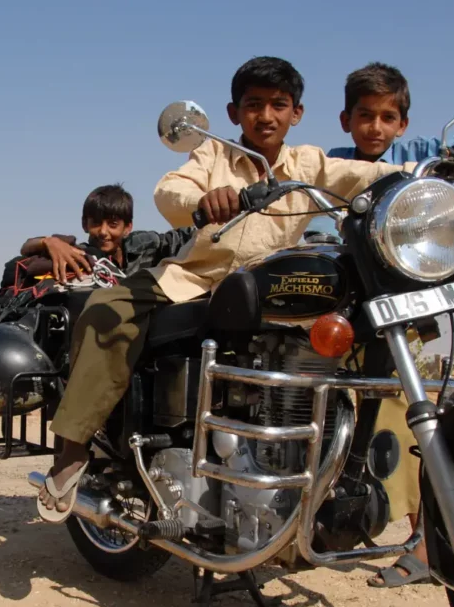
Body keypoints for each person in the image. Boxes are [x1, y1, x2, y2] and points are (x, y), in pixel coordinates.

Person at [36, 56, 420, 522]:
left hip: (270, 289)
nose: (266, 115)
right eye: (254, 104)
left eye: (279, 105)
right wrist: (204, 200)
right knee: (106, 308)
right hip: (195, 279)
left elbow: (369, 175)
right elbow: (169, 191)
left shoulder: (309, 163)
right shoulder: (212, 155)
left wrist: (441, 168)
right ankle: (72, 448)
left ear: (296, 114)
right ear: (234, 112)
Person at [329, 62, 454, 588]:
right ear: (346, 120)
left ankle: (424, 540)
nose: (375, 127)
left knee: (404, 410)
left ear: (403, 125)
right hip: (352, 307)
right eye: (364, 116)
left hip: (401, 309)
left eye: (387, 117)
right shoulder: (331, 164)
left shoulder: (415, 157)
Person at [18, 183, 194, 282]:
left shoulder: (145, 243)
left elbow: (186, 236)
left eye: (113, 224)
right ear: (84, 224)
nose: (103, 231)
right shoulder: (80, 255)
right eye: (96, 223)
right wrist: (49, 242)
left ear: (127, 228)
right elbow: (26, 247)